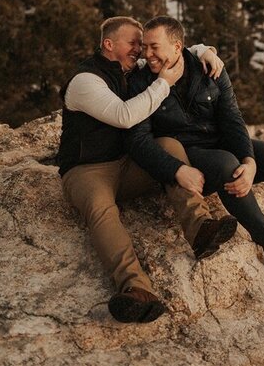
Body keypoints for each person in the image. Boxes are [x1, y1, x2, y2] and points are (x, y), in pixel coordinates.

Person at [127, 16, 264, 299]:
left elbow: (232, 119)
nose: (147, 54)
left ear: (177, 47)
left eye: (154, 47)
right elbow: (139, 140)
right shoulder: (140, 81)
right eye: (144, 47)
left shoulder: (208, 67)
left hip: (220, 141)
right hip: (189, 153)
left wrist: (249, 161)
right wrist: (177, 168)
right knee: (228, 166)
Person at [57, 16, 237, 324]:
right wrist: (164, 84)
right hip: (87, 170)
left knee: (168, 144)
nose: (140, 51)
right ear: (109, 45)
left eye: (142, 44)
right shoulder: (85, 81)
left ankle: (200, 228)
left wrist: (204, 50)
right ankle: (136, 289)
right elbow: (125, 116)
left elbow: (175, 49)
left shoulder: (130, 69)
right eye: (133, 43)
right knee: (101, 210)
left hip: (126, 166)